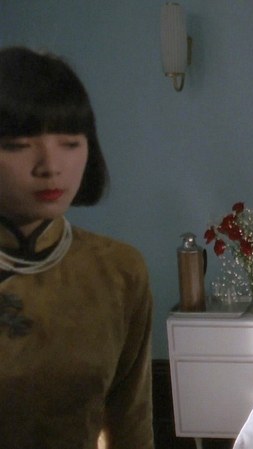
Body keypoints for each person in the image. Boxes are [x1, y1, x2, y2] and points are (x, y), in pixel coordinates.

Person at [0, 46, 154, 448]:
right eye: (18, 144)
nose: (50, 166)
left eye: (69, 142)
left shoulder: (119, 270)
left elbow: (130, 421)